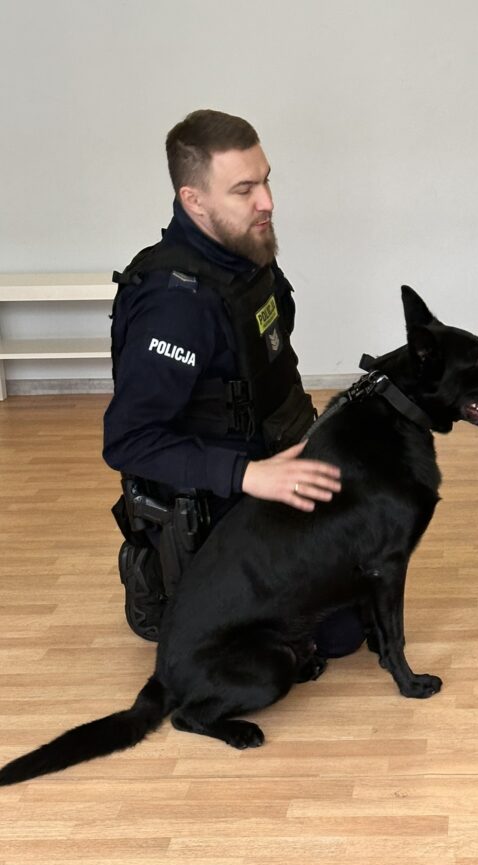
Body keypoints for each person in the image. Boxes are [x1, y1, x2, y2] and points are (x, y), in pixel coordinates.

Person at [103, 109, 363, 655]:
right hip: (220, 491)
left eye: (266, 180)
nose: (266, 201)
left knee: (366, 567)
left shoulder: (244, 253)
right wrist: (250, 476)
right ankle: (166, 588)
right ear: (194, 200)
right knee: (336, 634)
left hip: (275, 452)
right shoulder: (174, 306)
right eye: (244, 189)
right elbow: (128, 441)